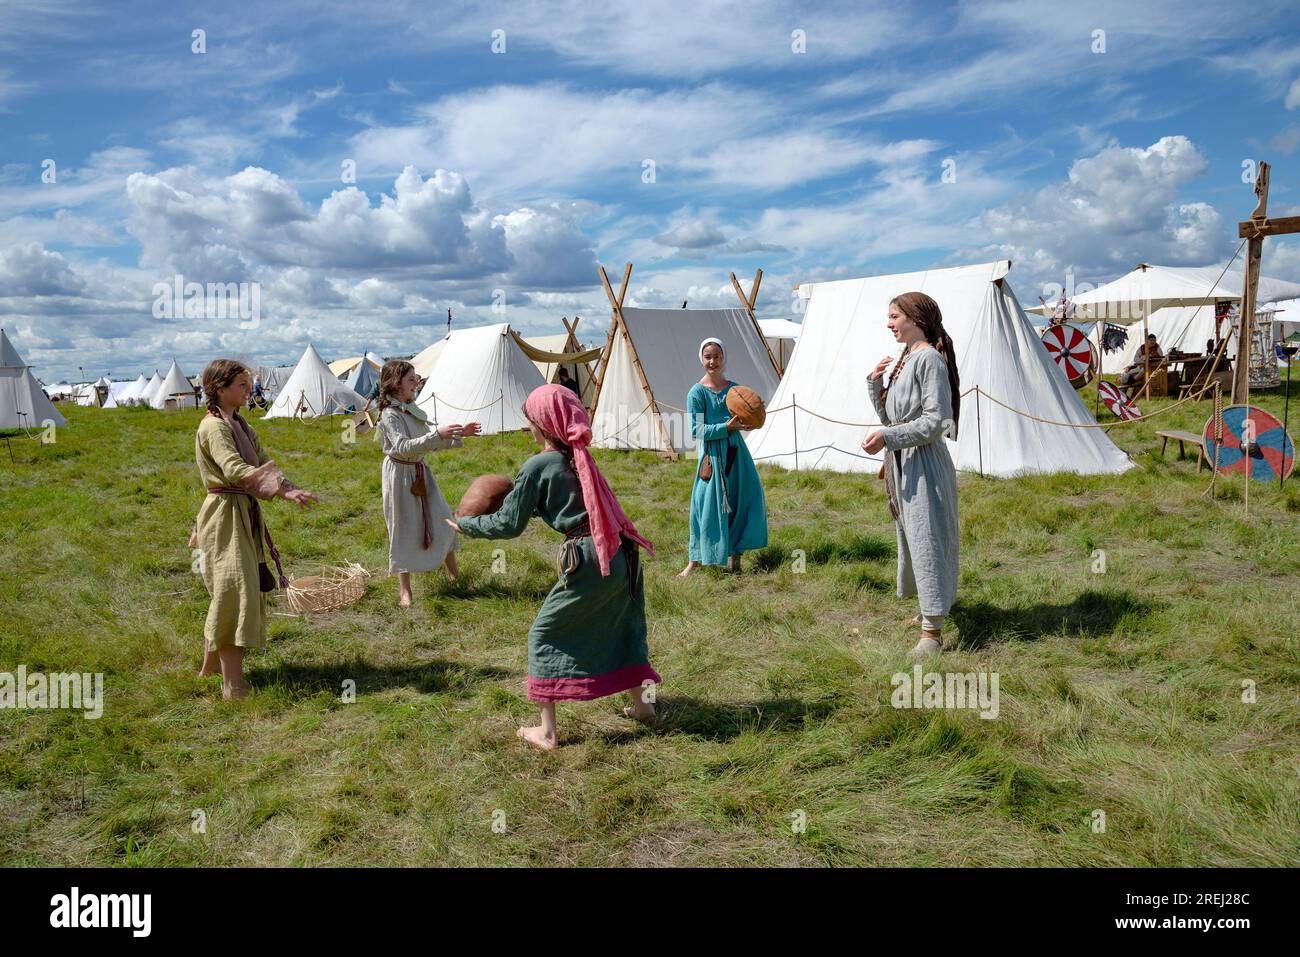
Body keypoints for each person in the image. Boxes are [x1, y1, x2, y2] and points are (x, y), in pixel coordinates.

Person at [448, 384, 658, 750]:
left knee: (542, 635)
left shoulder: (539, 464)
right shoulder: (578, 457)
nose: (529, 426)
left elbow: (509, 524)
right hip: (622, 553)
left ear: (543, 423)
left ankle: (546, 733)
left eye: (531, 420)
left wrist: (466, 525)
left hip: (592, 557)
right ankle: (644, 709)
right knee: (622, 626)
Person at [193, 359, 318, 699]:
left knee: (229, 590)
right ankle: (232, 685)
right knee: (235, 592)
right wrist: (281, 490)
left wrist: (289, 489)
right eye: (242, 386)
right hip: (225, 517)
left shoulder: (241, 425)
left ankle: (210, 668)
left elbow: (262, 463)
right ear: (221, 390)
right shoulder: (214, 428)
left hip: (242, 512)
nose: (250, 391)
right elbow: (234, 469)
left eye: (249, 385)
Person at [862, 292, 960, 659]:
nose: (889, 324)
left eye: (893, 316)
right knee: (912, 538)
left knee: (928, 538)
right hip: (905, 462)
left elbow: (937, 421)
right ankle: (927, 607)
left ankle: (932, 633)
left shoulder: (929, 360)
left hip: (925, 464)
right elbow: (893, 419)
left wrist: (889, 437)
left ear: (915, 318)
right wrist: (875, 384)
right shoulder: (906, 359)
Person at [377, 360, 479, 607]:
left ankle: (454, 577)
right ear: (395, 383)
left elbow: (427, 442)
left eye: (416, 378)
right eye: (411, 379)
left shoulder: (411, 409)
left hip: (421, 473)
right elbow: (402, 446)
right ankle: (405, 591)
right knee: (402, 529)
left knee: (443, 520)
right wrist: (436, 435)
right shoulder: (390, 414)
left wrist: (458, 434)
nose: (416, 383)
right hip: (400, 476)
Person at [678, 338, 768, 577]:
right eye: (708, 356)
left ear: (723, 358)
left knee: (741, 503)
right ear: (702, 359)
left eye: (717, 356)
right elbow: (696, 430)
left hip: (736, 453)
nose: (712, 361)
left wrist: (756, 414)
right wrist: (724, 428)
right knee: (704, 507)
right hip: (712, 457)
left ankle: (735, 560)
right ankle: (695, 560)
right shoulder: (696, 393)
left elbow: (745, 423)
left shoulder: (735, 389)